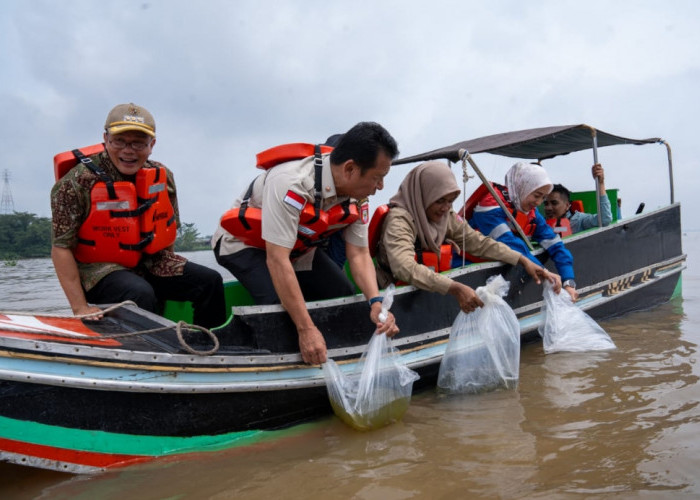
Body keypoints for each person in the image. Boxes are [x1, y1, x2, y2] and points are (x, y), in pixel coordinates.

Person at [212, 122, 400, 364]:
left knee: (341, 292)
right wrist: (305, 329)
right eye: (378, 178)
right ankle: (280, 359)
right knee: (276, 306)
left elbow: (359, 254)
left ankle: (330, 353)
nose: (381, 187)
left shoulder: (358, 196)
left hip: (296, 247)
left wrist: (376, 302)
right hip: (243, 244)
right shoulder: (291, 183)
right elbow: (277, 259)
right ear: (350, 169)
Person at [51, 103, 226, 328]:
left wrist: (167, 275)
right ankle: (150, 355)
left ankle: (207, 345)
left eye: (138, 143)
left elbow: (165, 233)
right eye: (120, 141)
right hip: (99, 270)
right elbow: (61, 248)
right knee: (139, 292)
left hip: (151, 263)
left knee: (209, 281)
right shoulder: (75, 183)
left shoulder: (163, 176)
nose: (128, 150)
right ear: (105, 139)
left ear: (151, 145)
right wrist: (80, 307)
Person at [374, 161, 558, 313]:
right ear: (423, 195)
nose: (446, 208)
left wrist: (522, 260)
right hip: (395, 296)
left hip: (430, 289)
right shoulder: (399, 220)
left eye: (450, 201)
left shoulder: (445, 215)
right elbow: (404, 268)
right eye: (439, 200)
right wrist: (455, 288)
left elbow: (477, 242)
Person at [469, 162, 578, 301]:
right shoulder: (489, 210)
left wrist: (568, 282)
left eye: (543, 198)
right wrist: (545, 273)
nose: (538, 202)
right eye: (536, 195)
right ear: (522, 187)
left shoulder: (531, 213)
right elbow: (513, 246)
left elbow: (555, 245)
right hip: (471, 267)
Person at [544, 163, 613, 233]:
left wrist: (600, 183)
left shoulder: (580, 221)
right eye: (546, 204)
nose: (548, 208)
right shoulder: (541, 223)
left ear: (567, 206)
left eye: (554, 203)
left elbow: (605, 219)